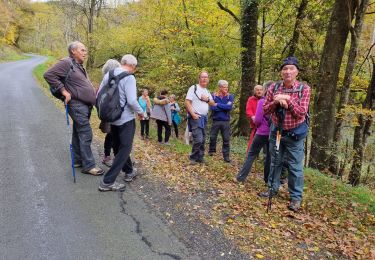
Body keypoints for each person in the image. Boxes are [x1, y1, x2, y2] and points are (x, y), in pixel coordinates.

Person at [259, 56, 311, 212]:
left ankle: (296, 198)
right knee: (275, 161)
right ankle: (272, 188)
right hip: (276, 131)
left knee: (295, 166)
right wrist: (276, 102)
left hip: (294, 133)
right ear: (281, 72)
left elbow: (301, 112)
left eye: (291, 69)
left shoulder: (304, 89)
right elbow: (265, 109)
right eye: (285, 69)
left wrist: (287, 99)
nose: (288, 71)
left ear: (297, 72)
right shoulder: (274, 87)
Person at [44, 41, 104, 176]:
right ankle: (89, 165)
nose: (85, 53)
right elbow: (48, 75)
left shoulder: (78, 66)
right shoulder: (66, 63)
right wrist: (64, 92)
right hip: (76, 105)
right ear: (73, 51)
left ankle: (78, 160)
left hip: (84, 106)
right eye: (82, 50)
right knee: (85, 133)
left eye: (85, 50)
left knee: (78, 133)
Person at [98, 54, 144, 191]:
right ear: (132, 66)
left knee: (118, 147)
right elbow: (131, 100)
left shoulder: (109, 74)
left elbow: (99, 93)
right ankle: (107, 181)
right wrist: (142, 112)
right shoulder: (129, 77)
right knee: (125, 149)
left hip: (112, 118)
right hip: (125, 119)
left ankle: (129, 171)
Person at [236, 81, 273, 183]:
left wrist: (257, 124)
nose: (260, 91)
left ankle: (241, 177)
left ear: (265, 90)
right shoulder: (278, 102)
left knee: (251, 154)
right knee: (269, 156)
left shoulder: (263, 101)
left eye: (262, 89)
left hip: (262, 132)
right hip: (273, 133)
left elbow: (257, 120)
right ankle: (267, 180)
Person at [185, 71, 216, 164]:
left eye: (206, 77)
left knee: (202, 138)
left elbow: (213, 103)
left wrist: (207, 99)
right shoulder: (194, 88)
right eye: (202, 77)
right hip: (195, 117)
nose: (204, 79)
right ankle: (192, 157)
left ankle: (200, 157)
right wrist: (193, 114)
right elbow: (187, 102)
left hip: (204, 118)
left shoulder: (207, 91)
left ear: (208, 79)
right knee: (198, 139)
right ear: (199, 79)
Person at [100, 59, 121, 167]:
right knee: (112, 134)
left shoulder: (106, 79)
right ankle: (108, 156)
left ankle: (113, 156)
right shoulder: (109, 80)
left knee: (112, 134)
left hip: (109, 112)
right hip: (111, 112)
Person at [208, 80, 234, 163]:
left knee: (226, 139)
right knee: (212, 137)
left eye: (227, 87)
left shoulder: (230, 96)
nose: (226, 88)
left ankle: (226, 156)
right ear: (219, 87)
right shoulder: (214, 96)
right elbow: (212, 108)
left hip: (225, 121)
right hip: (216, 120)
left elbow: (229, 108)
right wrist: (223, 107)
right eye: (224, 87)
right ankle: (211, 151)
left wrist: (218, 105)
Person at [246, 85, 263, 152]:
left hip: (264, 125)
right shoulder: (251, 99)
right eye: (257, 90)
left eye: (260, 90)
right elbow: (248, 110)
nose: (259, 91)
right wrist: (253, 117)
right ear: (254, 91)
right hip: (255, 124)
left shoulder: (265, 99)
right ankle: (251, 155)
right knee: (253, 142)